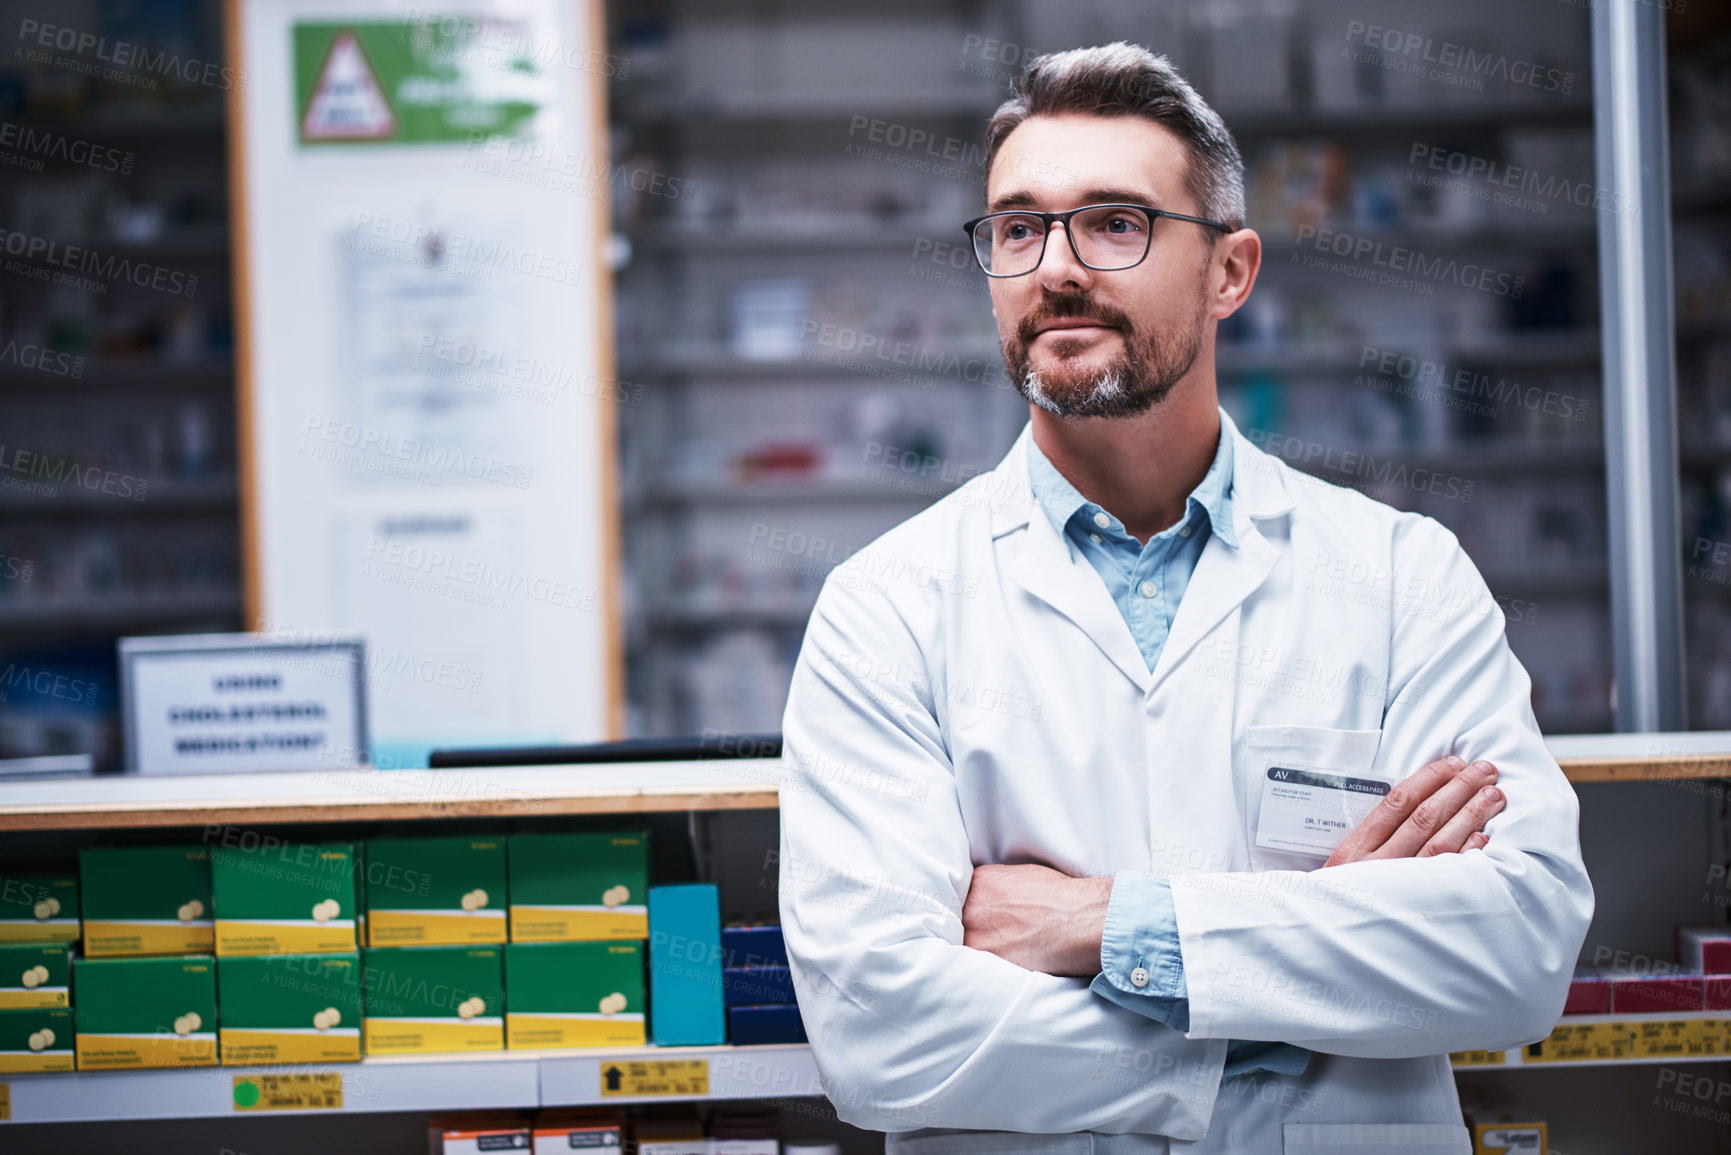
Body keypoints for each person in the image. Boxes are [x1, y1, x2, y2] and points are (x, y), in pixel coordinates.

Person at [777, 42, 1593, 1155]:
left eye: (1115, 223)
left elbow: (1517, 951)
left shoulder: (1402, 575)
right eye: (1019, 228)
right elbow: (878, 1032)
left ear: (1230, 272)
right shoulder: (890, 606)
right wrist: (1285, 1015)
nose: (1056, 267)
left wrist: (1104, 926)